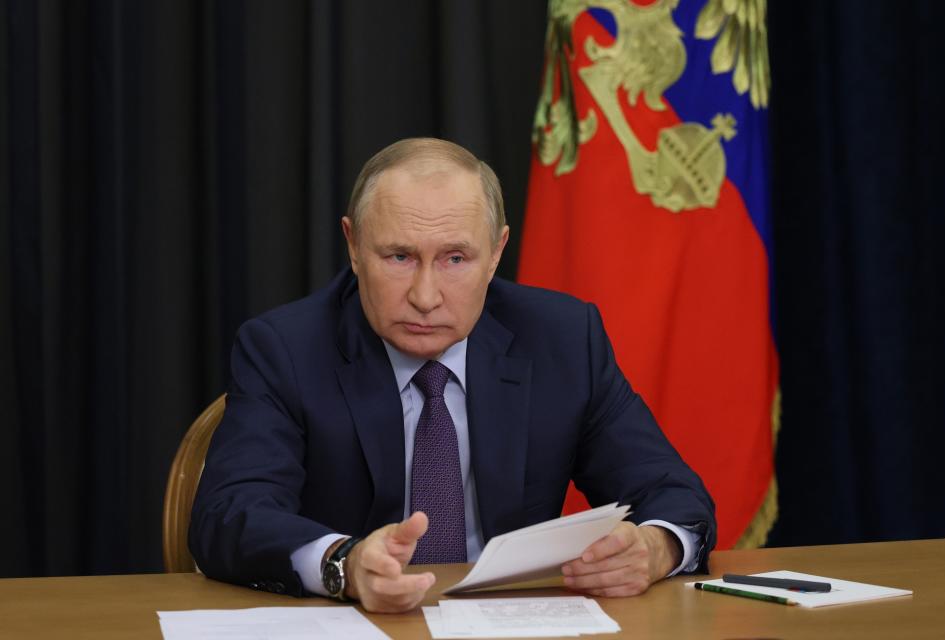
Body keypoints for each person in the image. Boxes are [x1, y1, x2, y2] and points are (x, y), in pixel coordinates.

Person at [189, 138, 716, 613]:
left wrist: (656, 547)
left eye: (456, 258)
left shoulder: (562, 339)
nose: (425, 296)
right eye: (399, 256)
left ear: (497, 253)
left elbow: (672, 492)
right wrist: (343, 563)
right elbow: (230, 513)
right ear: (352, 246)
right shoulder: (284, 348)